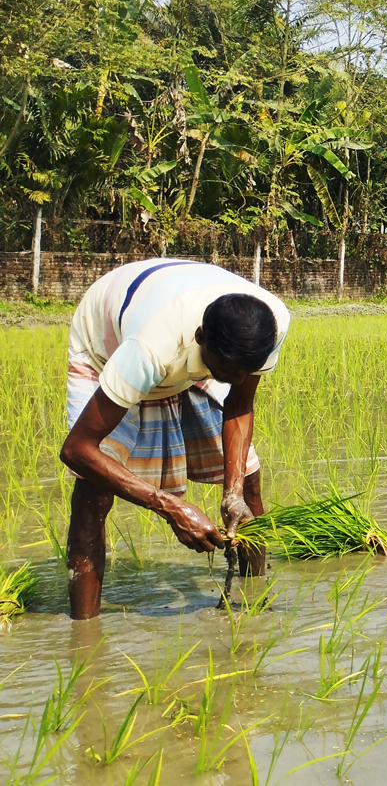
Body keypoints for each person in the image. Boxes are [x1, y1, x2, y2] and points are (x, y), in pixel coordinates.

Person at [57, 259, 290, 620]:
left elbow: (239, 402)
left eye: (245, 371)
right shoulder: (151, 345)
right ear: (200, 339)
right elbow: (76, 449)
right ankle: (84, 637)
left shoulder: (269, 325)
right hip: (107, 348)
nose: (236, 379)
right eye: (228, 372)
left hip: (189, 354)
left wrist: (233, 492)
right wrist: (171, 507)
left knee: (250, 483)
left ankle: (253, 607)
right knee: (93, 492)